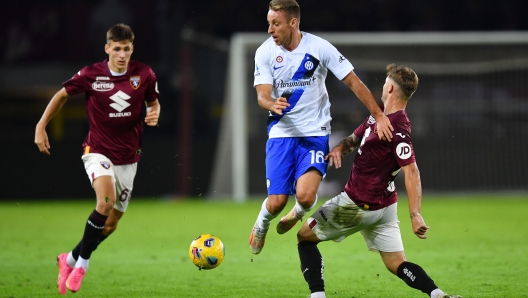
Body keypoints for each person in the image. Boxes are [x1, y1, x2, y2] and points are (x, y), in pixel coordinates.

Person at [295, 64, 462, 298]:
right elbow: (354, 138)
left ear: (391, 88)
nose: (382, 86)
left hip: (355, 206)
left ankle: (317, 296)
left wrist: (415, 214)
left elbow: (412, 172)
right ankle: (437, 294)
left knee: (304, 238)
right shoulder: (380, 116)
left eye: (385, 82)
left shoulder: (398, 128)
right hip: (384, 209)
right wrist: (340, 149)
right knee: (396, 263)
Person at [249, 0, 394, 255]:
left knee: (305, 197)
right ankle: (261, 225)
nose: (270, 29)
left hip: (315, 134)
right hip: (281, 134)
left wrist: (379, 115)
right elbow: (262, 95)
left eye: (276, 23)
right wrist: (272, 104)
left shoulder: (318, 47)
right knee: (275, 203)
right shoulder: (265, 52)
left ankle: (299, 211)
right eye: (269, 23)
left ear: (293, 22)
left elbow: (353, 82)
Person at [34, 23, 161, 294]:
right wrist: (41, 125)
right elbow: (61, 95)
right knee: (105, 203)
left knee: (111, 224)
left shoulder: (144, 74)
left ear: (132, 49)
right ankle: (82, 266)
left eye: (126, 49)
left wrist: (154, 113)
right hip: (97, 150)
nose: (122, 54)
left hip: (129, 157)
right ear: (107, 49)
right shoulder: (92, 74)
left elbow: (153, 102)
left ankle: (67, 259)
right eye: (117, 49)